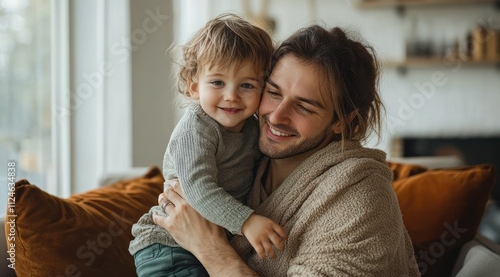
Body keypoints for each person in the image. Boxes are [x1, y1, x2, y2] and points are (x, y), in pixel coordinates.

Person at [153, 24, 421, 276]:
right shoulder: (241, 156)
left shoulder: (360, 193)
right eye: (273, 92)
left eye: (304, 107)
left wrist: (210, 249)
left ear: (342, 121)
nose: (276, 116)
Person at [129, 14, 287, 277]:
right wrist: (246, 221)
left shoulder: (251, 127)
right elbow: (196, 187)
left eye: (247, 85)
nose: (231, 96)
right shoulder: (197, 127)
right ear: (194, 87)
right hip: (168, 245)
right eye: (217, 82)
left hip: (209, 244)